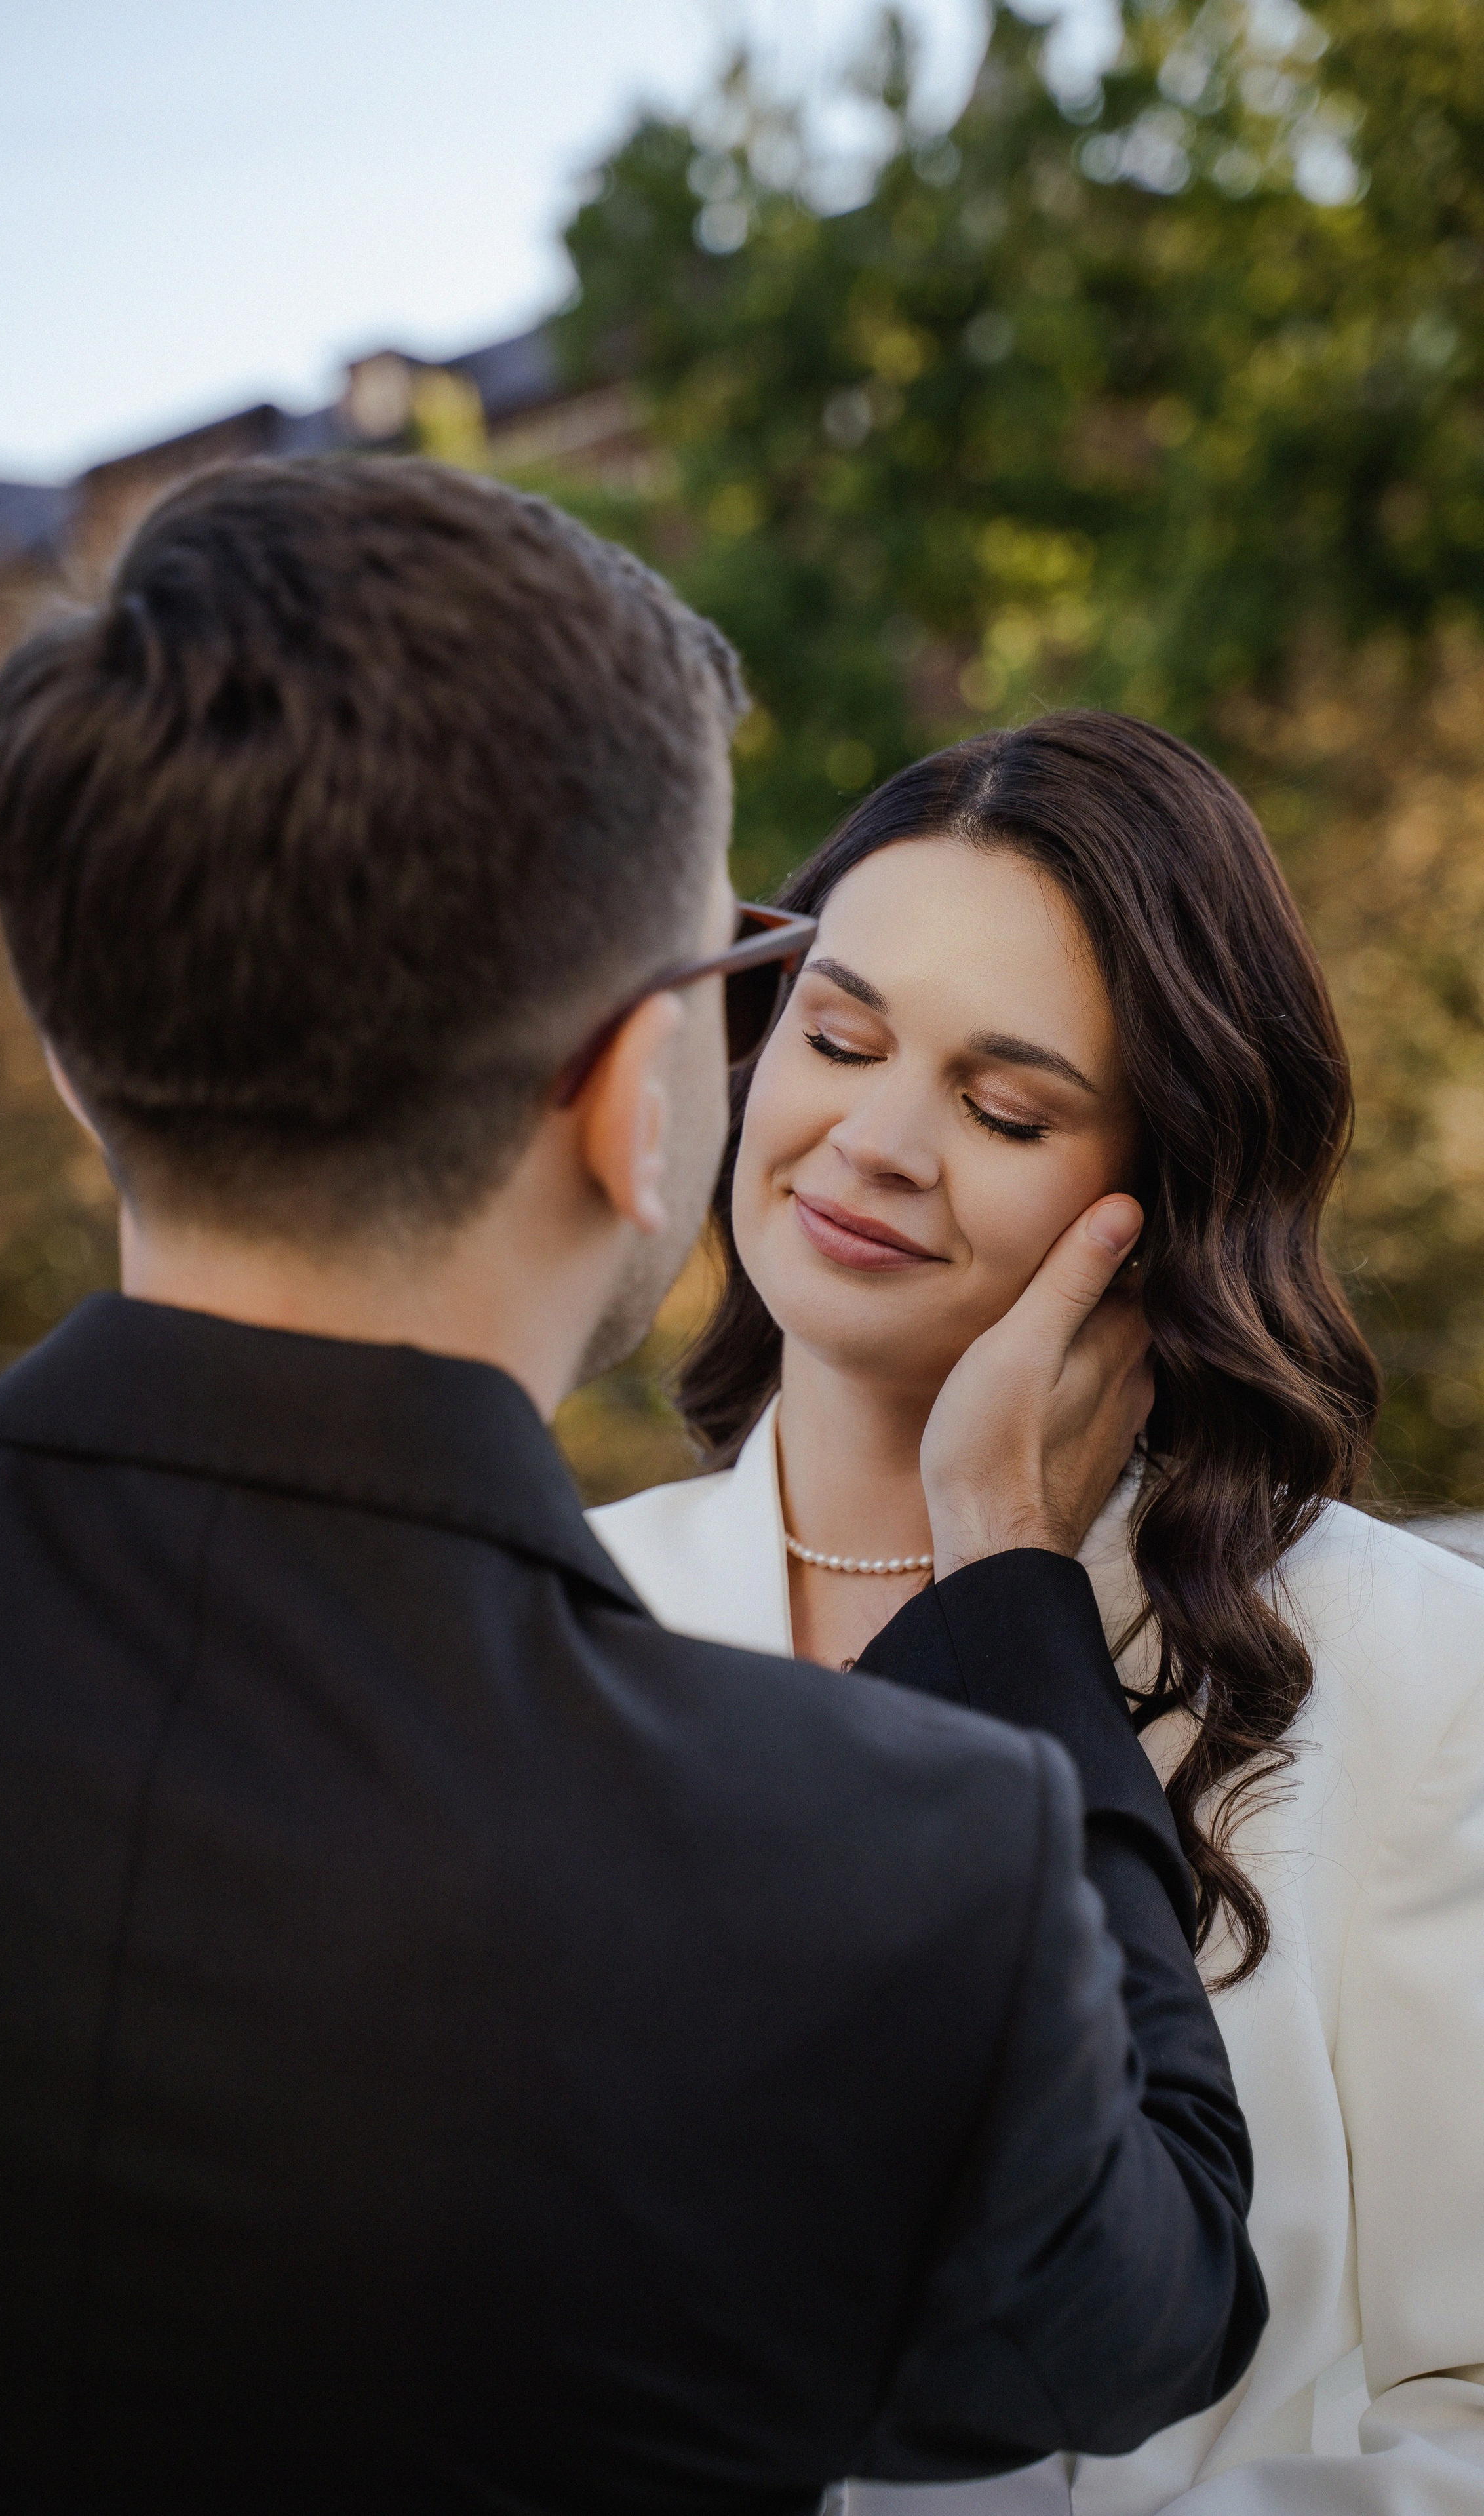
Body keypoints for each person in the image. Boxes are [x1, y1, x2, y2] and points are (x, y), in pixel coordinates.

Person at [0, 465, 1264, 2511]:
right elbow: (1162, 2298)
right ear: (625, 1089)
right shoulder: (889, 1868)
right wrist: (1016, 1596)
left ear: (69, 1053)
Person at [591, 713, 1484, 2515]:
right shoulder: (554, 1622)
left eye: (1006, 1108)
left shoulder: (1403, 1666)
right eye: (838, 1039)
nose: (877, 1142)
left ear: (1164, 1203)